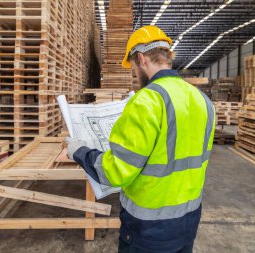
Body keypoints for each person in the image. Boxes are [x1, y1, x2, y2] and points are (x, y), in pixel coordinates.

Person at [67, 25, 215, 253]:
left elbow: (115, 172)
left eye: (134, 69)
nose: (135, 76)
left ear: (141, 59)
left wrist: (79, 152)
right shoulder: (203, 101)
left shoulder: (147, 101)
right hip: (189, 219)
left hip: (149, 228)